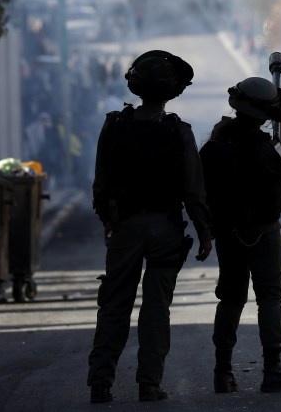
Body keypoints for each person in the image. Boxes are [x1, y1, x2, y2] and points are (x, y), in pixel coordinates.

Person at [87, 50, 213, 404]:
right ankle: (149, 385)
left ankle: (100, 384)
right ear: (172, 92)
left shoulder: (113, 125)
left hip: (125, 228)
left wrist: (109, 223)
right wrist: (205, 233)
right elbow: (193, 190)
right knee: (156, 308)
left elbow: (101, 183)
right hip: (165, 229)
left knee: (114, 305)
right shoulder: (179, 132)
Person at [199, 77, 281, 394]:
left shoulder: (213, 146)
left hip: (228, 233)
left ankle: (222, 372)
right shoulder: (270, 148)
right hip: (264, 232)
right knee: (270, 297)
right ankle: (273, 370)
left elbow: (201, 192)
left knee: (230, 299)